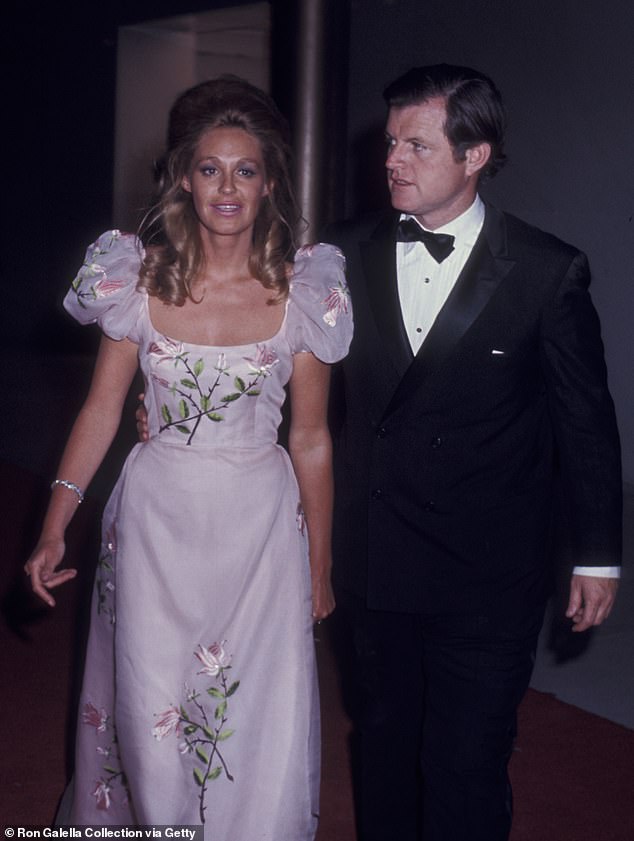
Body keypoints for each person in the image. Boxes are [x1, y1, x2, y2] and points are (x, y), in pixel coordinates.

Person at [24, 75, 352, 837]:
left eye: (245, 170)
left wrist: (322, 562)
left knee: (254, 716)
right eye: (210, 169)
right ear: (184, 179)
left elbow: (309, 436)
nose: (227, 186)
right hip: (154, 525)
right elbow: (102, 409)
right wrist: (53, 524)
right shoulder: (136, 278)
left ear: (269, 182)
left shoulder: (305, 292)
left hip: (260, 534)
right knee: (151, 710)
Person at [326, 64, 622, 841]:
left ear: (475, 155)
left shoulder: (547, 270)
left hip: (488, 572)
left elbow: (583, 421)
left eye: (415, 146)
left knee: (466, 762)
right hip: (374, 561)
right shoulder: (339, 252)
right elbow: (294, 385)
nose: (391, 160)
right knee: (385, 747)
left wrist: (597, 553)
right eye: (390, 143)